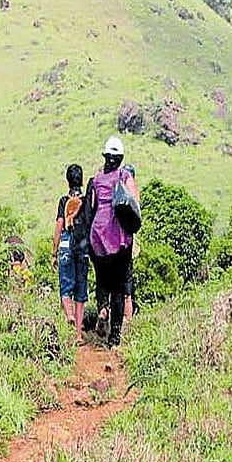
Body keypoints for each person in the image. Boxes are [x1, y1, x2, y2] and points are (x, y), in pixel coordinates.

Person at [86, 136, 138, 347]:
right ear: (121, 157)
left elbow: (92, 207)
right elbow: (135, 203)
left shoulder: (97, 179)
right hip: (119, 237)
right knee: (118, 287)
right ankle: (115, 335)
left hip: (98, 234)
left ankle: (102, 308)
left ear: (106, 157)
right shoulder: (125, 175)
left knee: (102, 279)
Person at [52, 164, 90, 344]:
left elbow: (60, 226)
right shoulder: (86, 201)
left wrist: (54, 252)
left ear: (68, 180)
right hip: (82, 247)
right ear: (81, 180)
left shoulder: (63, 201)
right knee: (80, 293)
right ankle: (78, 335)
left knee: (65, 288)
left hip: (67, 246)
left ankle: (69, 315)